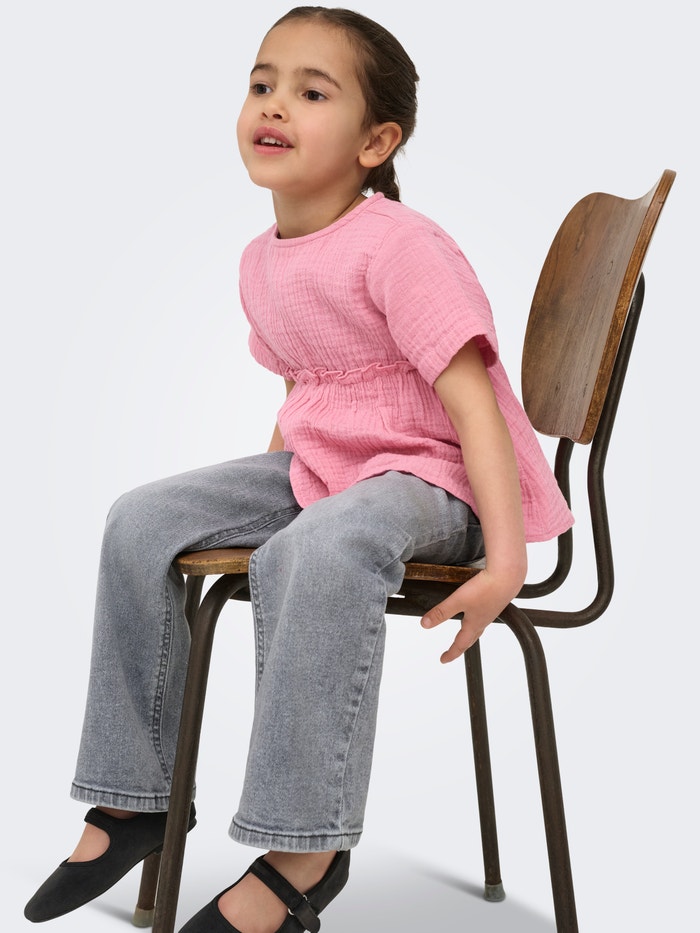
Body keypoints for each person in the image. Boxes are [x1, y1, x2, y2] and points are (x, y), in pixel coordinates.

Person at [25, 6, 574, 932]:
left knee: (311, 553)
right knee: (139, 518)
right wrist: (267, 492)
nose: (275, 104)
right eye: (262, 83)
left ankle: (303, 851)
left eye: (313, 93)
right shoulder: (262, 260)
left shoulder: (400, 245)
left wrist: (507, 559)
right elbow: (305, 389)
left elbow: (476, 405)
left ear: (375, 142)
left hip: (440, 479)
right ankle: (133, 797)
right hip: (332, 470)